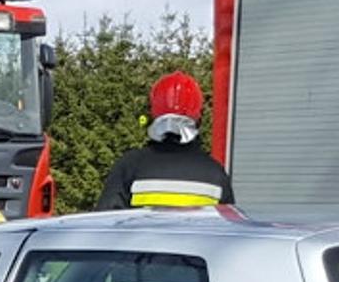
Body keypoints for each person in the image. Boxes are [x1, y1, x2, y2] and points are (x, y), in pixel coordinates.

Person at [93, 72, 234, 211]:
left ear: (152, 114)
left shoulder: (129, 167)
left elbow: (106, 222)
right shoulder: (216, 174)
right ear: (199, 118)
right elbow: (227, 229)